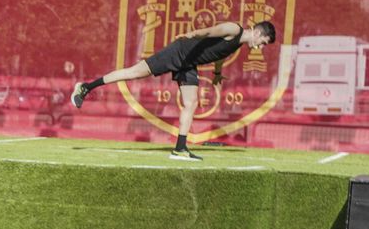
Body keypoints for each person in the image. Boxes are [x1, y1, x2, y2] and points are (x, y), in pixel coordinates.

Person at [69, 20, 278, 160]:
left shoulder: (237, 44)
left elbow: (219, 53)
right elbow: (211, 31)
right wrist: (192, 33)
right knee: (133, 73)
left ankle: (180, 149)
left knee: (191, 103)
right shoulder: (234, 29)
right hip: (179, 52)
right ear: (258, 32)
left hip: (188, 63)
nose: (260, 47)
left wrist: (216, 72)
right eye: (263, 42)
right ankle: (86, 88)